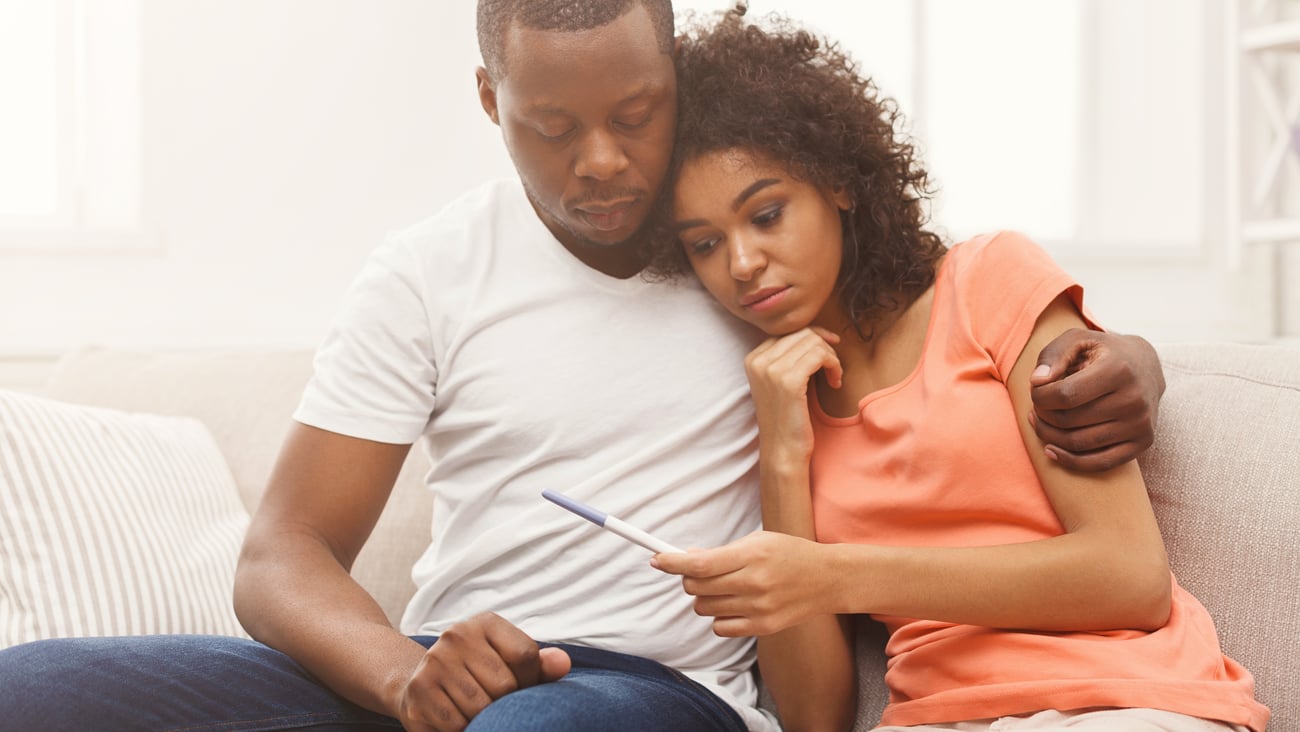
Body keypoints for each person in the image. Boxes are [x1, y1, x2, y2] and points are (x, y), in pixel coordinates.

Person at [0, 2, 1167, 731]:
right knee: (34, 691)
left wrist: (1125, 359)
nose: (605, 164)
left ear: (676, 83)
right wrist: (404, 679)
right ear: (488, 99)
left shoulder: (743, 257)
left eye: (638, 114)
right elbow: (282, 555)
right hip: (439, 668)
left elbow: (928, 320)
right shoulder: (429, 272)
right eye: (551, 128)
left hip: (649, 692)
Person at [648, 9, 1269, 732]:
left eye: (766, 214)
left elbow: (1130, 578)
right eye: (704, 244)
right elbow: (816, 719)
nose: (742, 263)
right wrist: (782, 452)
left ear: (838, 184)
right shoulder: (784, 404)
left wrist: (837, 573)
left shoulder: (987, 281)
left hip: (1126, 700)